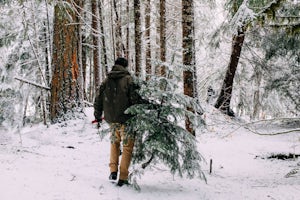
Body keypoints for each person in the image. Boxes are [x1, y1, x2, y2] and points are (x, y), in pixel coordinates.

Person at [93, 57, 143, 187]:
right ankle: (123, 177)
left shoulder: (106, 81)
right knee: (127, 148)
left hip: (112, 121)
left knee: (114, 144)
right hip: (127, 121)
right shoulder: (128, 80)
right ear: (125, 67)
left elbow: (98, 99)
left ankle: (113, 170)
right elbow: (135, 100)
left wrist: (98, 116)